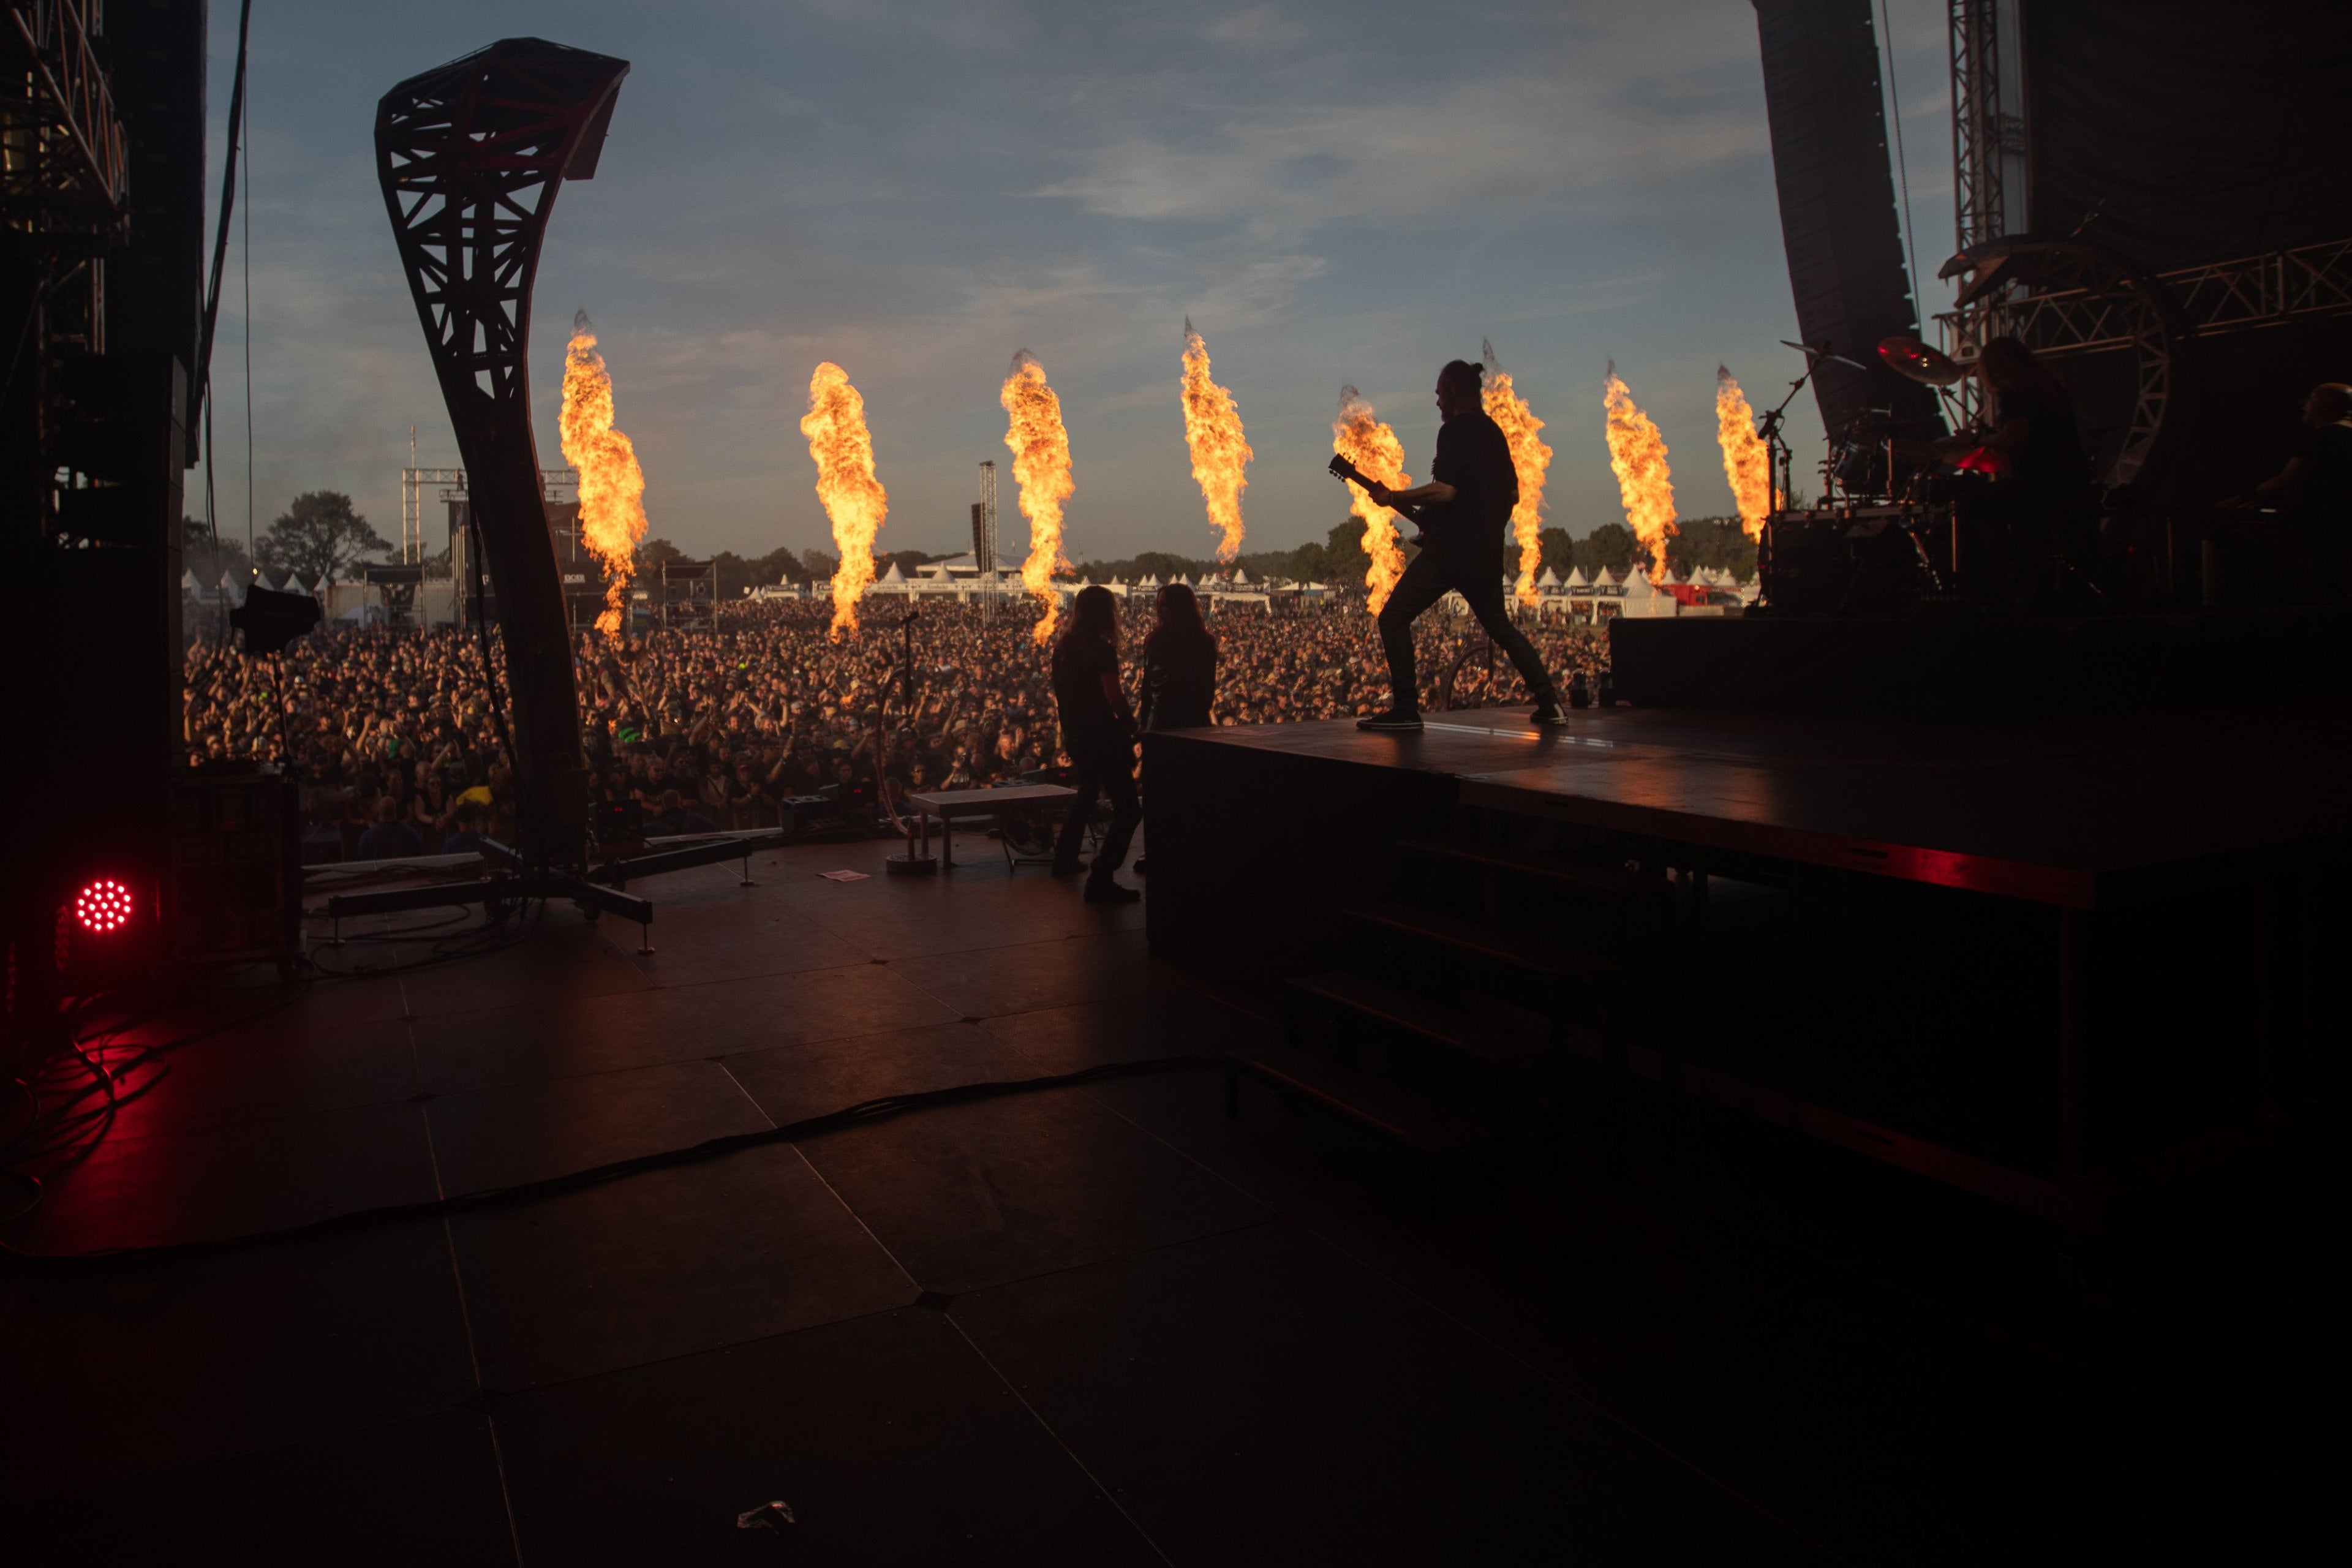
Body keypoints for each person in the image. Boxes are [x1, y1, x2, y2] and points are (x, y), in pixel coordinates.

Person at [1357, 360, 1567, 731]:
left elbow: (1447, 490)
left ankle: (1406, 708)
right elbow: (1512, 495)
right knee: (1501, 629)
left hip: (1451, 554)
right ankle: (1550, 703)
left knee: (1393, 618)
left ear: (1454, 393)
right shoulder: (1495, 435)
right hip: (1486, 555)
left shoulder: (1455, 431)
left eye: (1440, 394)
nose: (1437, 403)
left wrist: (1394, 496)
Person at [1049, 584, 1142, 903]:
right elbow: (1113, 696)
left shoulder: (1062, 649)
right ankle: (1101, 876)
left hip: (1076, 736)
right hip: (1103, 737)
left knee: (1087, 794)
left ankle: (1064, 859)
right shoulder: (1101, 650)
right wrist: (1131, 724)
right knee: (1129, 810)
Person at [2226, 381, 2352, 600]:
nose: (2304, 405)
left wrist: (2239, 500)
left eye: (2311, 399)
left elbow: (2286, 480)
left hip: (2329, 526)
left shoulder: (2323, 437)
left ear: (2325, 405)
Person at [1137, 581, 1217, 732]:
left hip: (1191, 721)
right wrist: (1143, 721)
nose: (1159, 610)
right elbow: (1147, 686)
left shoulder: (1203, 643)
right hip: (1160, 720)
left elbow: (1207, 688)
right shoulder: (1155, 641)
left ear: (1179, 608)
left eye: (1165, 605)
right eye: (1158, 605)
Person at [354, 795, 423, 860]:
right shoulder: (411, 834)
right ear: (395, 810)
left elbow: (361, 863)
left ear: (379, 811)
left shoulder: (367, 837)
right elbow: (420, 858)